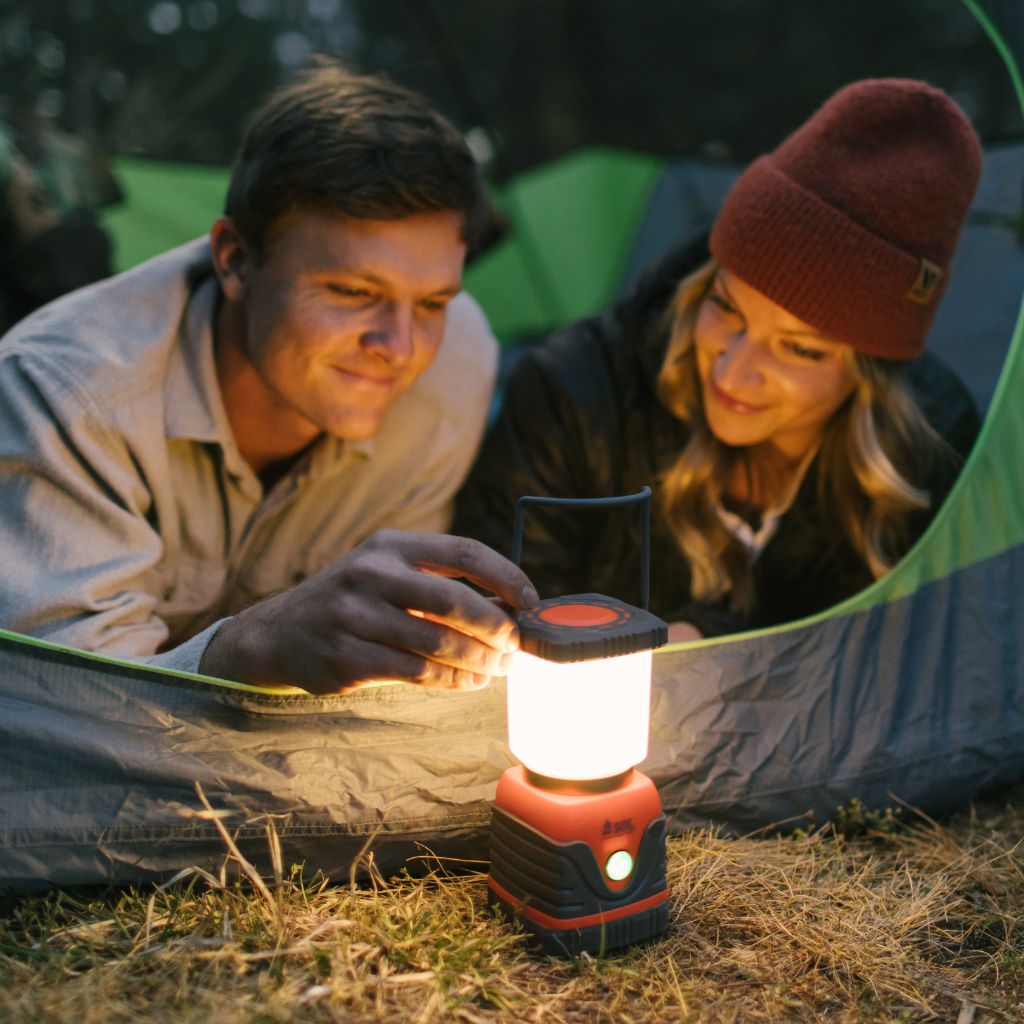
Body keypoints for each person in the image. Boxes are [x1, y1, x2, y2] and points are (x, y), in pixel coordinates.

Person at [0, 61, 538, 694]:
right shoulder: (66, 394)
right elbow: (64, 711)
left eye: (431, 301)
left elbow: (390, 668)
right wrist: (257, 648)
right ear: (235, 261)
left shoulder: (458, 361)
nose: (400, 346)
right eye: (352, 290)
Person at [453, 78, 983, 639]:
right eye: (726, 308)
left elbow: (920, 670)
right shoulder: (575, 396)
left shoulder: (928, 447)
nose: (732, 370)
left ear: (867, 371)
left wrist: (707, 644)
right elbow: (481, 626)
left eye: (799, 348)